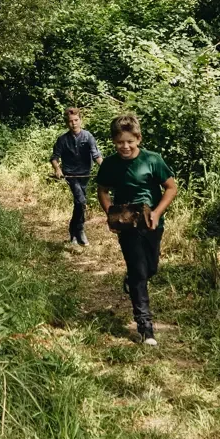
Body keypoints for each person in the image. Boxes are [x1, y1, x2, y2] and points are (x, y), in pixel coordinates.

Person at [95, 112, 178, 346]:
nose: (125, 146)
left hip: (151, 223)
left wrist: (157, 212)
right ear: (114, 141)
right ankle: (145, 326)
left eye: (130, 141)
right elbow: (103, 190)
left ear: (138, 139)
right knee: (139, 272)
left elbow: (171, 188)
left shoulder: (153, 160)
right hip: (127, 225)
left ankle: (132, 279)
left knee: (150, 268)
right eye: (120, 142)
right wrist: (111, 214)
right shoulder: (110, 164)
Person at [49, 105, 102, 250]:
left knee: (79, 203)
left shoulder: (88, 136)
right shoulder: (62, 139)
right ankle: (80, 230)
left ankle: (73, 232)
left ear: (80, 120)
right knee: (81, 201)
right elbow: (54, 157)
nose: (74, 123)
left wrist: (105, 168)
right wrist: (57, 169)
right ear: (67, 123)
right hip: (70, 174)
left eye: (76, 120)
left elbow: (96, 155)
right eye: (71, 121)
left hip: (85, 174)